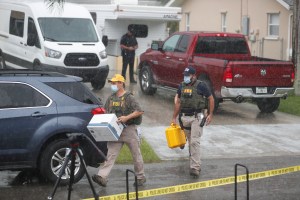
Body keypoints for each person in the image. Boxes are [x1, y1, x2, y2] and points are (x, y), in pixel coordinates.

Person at [92, 74, 146, 187]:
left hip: (129, 130)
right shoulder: (111, 98)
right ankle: (102, 176)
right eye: (112, 83)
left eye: (115, 82)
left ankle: (140, 177)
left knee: (136, 155)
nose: (113, 85)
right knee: (110, 154)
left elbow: (139, 111)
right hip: (115, 131)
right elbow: (106, 111)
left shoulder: (129, 97)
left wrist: (126, 118)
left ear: (121, 83)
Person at [171, 66, 214, 178]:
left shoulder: (201, 86)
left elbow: (211, 98)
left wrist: (210, 114)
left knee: (194, 141)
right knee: (190, 142)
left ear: (194, 75)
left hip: (197, 117)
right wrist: (174, 117)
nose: (186, 77)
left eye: (188, 75)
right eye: (184, 75)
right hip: (184, 118)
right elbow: (178, 102)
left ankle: (195, 167)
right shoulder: (181, 86)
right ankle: (193, 162)